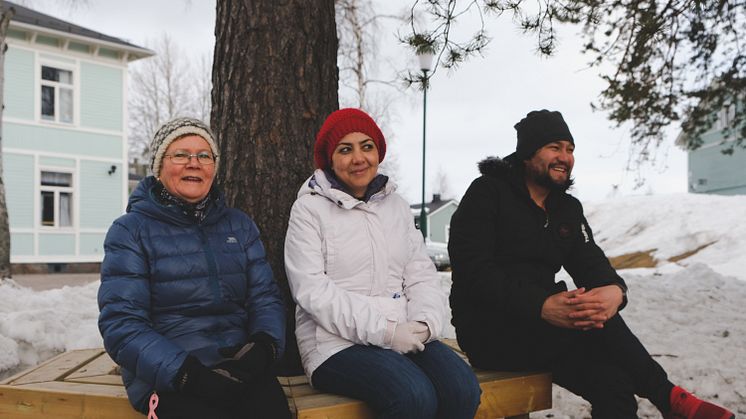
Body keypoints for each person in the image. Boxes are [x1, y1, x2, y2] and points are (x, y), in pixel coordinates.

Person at [448, 109, 735, 419]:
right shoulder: (488, 193)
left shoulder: (565, 208)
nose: (565, 157)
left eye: (570, 149)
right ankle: (669, 398)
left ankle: (669, 398)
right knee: (592, 319)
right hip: (490, 329)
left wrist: (615, 291)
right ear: (528, 154)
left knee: (614, 386)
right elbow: (473, 272)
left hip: (547, 329)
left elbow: (590, 261)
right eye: (554, 147)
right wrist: (541, 305)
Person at [284, 108, 481, 419]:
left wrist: (425, 324)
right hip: (333, 343)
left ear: (378, 152)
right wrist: (386, 332)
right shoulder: (309, 210)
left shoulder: (397, 207)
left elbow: (420, 274)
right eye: (345, 149)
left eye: (367, 146)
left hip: (402, 334)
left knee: (462, 388)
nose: (358, 157)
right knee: (412, 396)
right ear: (329, 159)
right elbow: (313, 292)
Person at [98, 117, 290, 418]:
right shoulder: (130, 231)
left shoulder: (239, 226)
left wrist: (263, 348)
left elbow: (265, 298)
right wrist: (187, 374)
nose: (194, 163)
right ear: (159, 167)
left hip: (239, 368)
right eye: (180, 155)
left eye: (204, 155)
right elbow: (121, 325)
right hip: (169, 377)